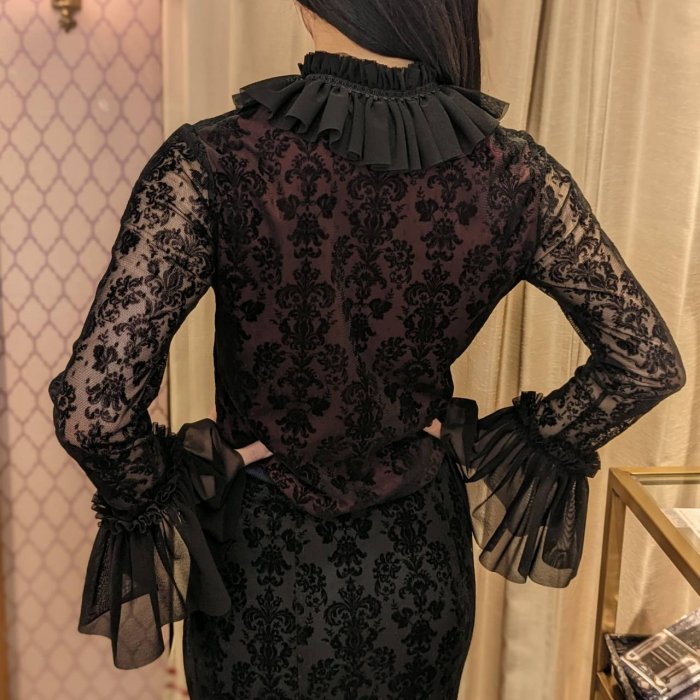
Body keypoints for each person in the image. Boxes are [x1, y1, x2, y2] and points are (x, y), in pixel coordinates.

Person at [47, 0, 686, 697]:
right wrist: (491, 440)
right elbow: (645, 362)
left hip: (262, 569)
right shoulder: (517, 174)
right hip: (422, 570)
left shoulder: (215, 158)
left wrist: (193, 475)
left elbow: (93, 413)